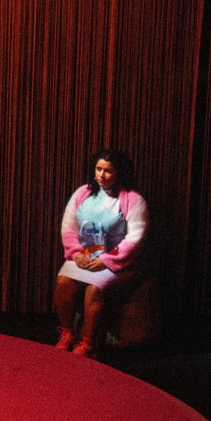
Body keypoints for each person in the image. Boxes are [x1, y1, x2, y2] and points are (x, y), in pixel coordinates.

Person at [53, 149, 149, 357]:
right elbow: (69, 228)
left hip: (116, 260)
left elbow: (135, 238)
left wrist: (107, 260)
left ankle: (87, 343)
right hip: (84, 254)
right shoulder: (83, 193)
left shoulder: (133, 199)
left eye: (108, 171)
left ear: (119, 172)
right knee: (63, 283)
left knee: (94, 290)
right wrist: (76, 253)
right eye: (98, 169)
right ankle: (67, 334)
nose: (101, 175)